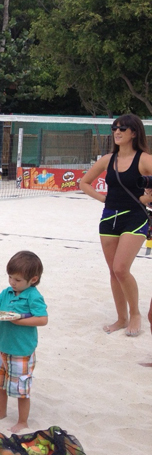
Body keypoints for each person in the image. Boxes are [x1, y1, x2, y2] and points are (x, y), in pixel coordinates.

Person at [79, 114, 152, 337]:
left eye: (123, 128)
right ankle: (121, 319)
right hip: (110, 217)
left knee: (121, 268)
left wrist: (146, 198)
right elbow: (84, 182)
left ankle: (135, 314)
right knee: (113, 272)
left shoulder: (144, 159)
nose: (117, 131)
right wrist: (103, 199)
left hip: (135, 217)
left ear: (134, 132)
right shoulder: (107, 159)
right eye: (115, 128)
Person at [0, 251, 48, 433]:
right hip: (3, 347)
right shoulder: (7, 292)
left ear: (33, 279)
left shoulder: (33, 296)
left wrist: (19, 321)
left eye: (17, 280)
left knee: (21, 389)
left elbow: (42, 319)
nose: (12, 282)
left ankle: (22, 421)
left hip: (21, 351)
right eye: (10, 277)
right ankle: (1, 412)